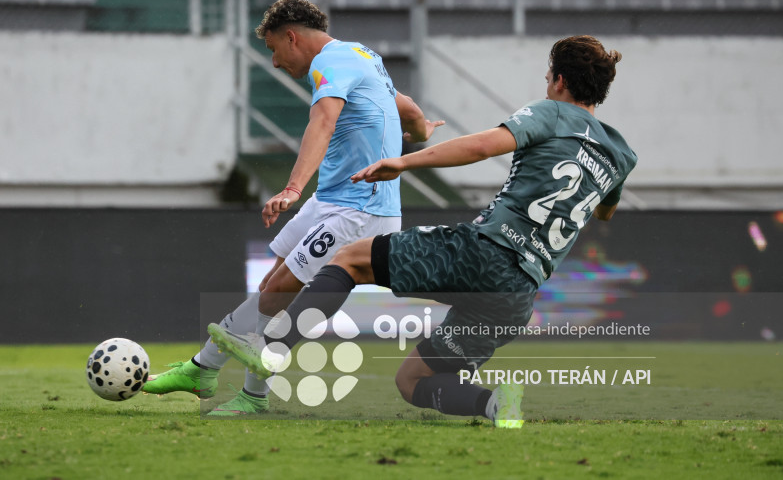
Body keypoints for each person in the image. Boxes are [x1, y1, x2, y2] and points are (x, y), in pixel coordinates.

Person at [209, 35, 637, 427]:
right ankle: (495, 403)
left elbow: (483, 145)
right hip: (519, 293)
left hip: (484, 253)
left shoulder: (552, 111)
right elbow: (604, 212)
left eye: (548, 78)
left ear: (560, 80)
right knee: (413, 380)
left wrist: (405, 161)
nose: (546, 85)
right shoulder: (620, 153)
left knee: (351, 258)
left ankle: (273, 352)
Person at [143, 0, 443, 415]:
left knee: (282, 289)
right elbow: (404, 105)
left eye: (273, 50)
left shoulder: (330, 64)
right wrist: (419, 129)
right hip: (334, 198)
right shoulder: (360, 55)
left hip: (359, 209)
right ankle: (225, 381)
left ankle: (213, 375)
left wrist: (291, 187)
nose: (275, 62)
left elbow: (323, 121)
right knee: (272, 287)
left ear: (292, 37)